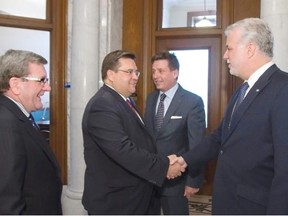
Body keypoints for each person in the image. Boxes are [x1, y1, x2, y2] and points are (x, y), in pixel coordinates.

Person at [173, 17, 288, 215]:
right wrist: (184, 160)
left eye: (230, 48)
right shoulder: (242, 90)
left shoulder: (283, 88)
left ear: (250, 49)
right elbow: (221, 137)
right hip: (230, 202)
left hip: (255, 207)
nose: (225, 55)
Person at [81, 49, 186, 215]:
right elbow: (124, 151)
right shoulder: (102, 106)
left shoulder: (124, 100)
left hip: (133, 196)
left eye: (136, 72)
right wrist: (164, 165)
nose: (136, 76)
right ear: (111, 74)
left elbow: (140, 141)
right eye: (129, 72)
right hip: (116, 202)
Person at [0, 49, 62, 214]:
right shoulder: (6, 123)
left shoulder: (19, 114)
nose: (47, 87)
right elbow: (7, 200)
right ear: (16, 84)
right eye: (41, 80)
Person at [144, 51, 206, 215]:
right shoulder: (150, 99)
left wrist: (194, 180)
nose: (156, 76)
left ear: (175, 72)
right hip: (150, 179)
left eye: (161, 71)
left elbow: (197, 145)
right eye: (154, 71)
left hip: (176, 183)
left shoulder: (192, 102)